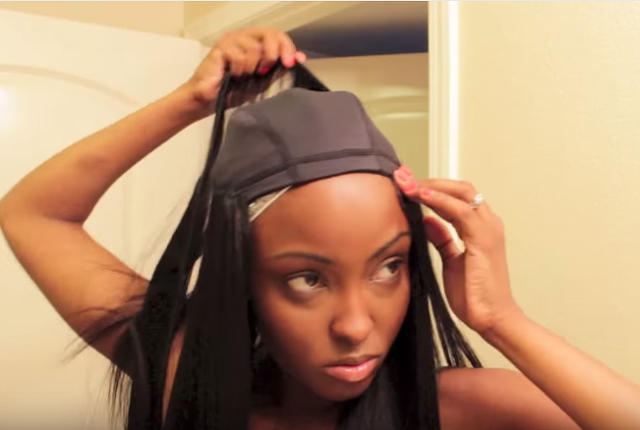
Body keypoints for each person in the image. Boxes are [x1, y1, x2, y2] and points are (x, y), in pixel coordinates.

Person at [0, 26, 639, 430]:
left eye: (389, 266)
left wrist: (503, 320)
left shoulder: (459, 408)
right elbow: (32, 214)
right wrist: (191, 102)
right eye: (307, 278)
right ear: (242, 279)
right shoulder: (182, 371)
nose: (356, 326)